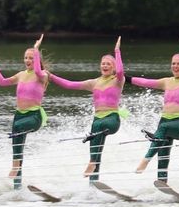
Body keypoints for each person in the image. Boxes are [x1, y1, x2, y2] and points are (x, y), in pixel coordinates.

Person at [47, 38, 124, 182]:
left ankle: (92, 163)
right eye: (103, 63)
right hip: (98, 119)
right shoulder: (93, 83)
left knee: (97, 128)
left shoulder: (118, 80)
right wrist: (51, 76)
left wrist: (117, 51)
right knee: (96, 144)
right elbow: (70, 85)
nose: (105, 66)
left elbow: (120, 71)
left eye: (108, 64)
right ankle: (93, 182)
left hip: (112, 120)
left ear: (113, 68)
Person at [131, 37, 179, 184]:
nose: (175, 66)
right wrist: (125, 78)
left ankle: (145, 160)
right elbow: (145, 82)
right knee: (163, 153)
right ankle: (162, 183)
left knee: (164, 129)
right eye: (173, 63)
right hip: (165, 120)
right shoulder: (166, 81)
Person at [0, 35, 48, 189]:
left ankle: (15, 167)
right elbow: (2, 82)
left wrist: (36, 50)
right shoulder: (21, 75)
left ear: (36, 59)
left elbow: (37, 70)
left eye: (31, 58)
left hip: (34, 116)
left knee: (17, 132)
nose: (28, 60)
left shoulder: (42, 75)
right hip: (19, 116)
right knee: (17, 147)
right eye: (26, 57)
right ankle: (17, 187)